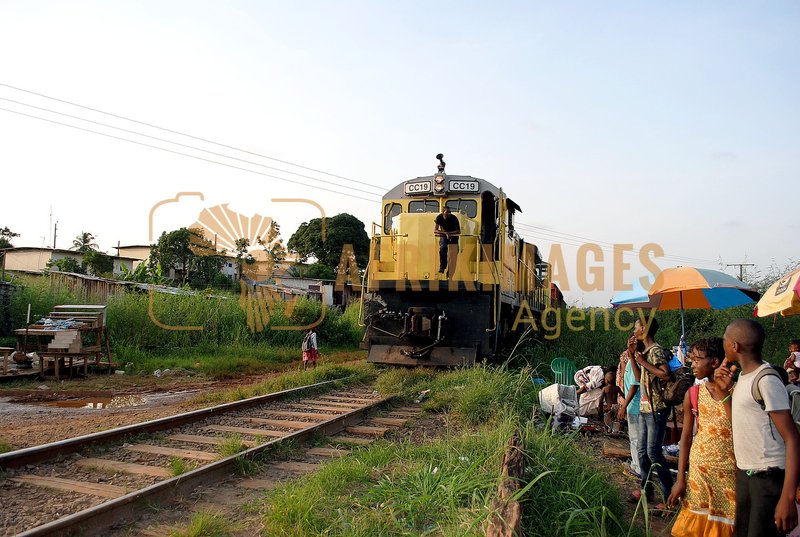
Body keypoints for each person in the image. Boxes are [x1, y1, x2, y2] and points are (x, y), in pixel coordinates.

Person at [715, 319, 800, 536]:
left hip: (768, 476)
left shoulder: (766, 380)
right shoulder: (744, 377)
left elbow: (792, 438)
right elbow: (742, 420)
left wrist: (788, 498)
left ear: (735, 346)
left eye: (726, 339)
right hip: (748, 473)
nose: (723, 343)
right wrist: (724, 394)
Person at [668, 337, 736, 537]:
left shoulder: (737, 391)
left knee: (726, 525)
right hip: (699, 472)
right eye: (692, 359)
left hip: (730, 473)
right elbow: (686, 437)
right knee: (692, 527)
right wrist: (681, 478)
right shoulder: (694, 393)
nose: (692, 364)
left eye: (697, 359)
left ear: (714, 362)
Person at [630, 316, 674, 508]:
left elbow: (666, 374)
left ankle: (669, 496)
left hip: (656, 409)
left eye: (636, 327)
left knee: (653, 453)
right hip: (645, 407)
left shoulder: (655, 350)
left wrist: (643, 361)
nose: (634, 331)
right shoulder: (645, 352)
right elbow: (640, 377)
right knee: (642, 452)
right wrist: (633, 356)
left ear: (644, 330)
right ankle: (647, 491)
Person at [618, 334, 644, 478]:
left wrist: (623, 406)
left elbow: (634, 386)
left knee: (636, 438)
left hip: (635, 405)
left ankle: (639, 469)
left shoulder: (636, 361)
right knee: (634, 438)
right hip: (633, 405)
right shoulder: (631, 361)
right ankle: (636, 465)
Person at [434, 206, 460, 279]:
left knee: (453, 256)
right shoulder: (439, 217)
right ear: (443, 213)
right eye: (447, 212)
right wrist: (445, 233)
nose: (449, 214)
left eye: (450, 212)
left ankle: (450, 275)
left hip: (454, 236)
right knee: (443, 248)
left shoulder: (454, 218)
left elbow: (458, 231)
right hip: (444, 236)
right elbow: (435, 230)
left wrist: (449, 233)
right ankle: (442, 266)